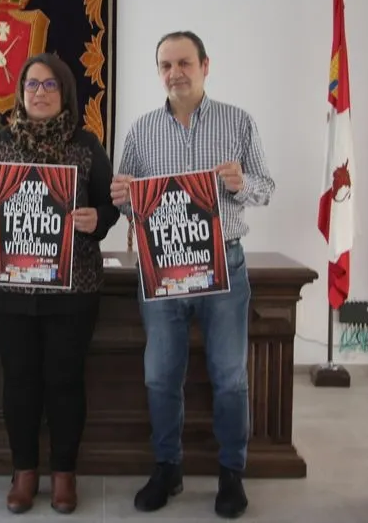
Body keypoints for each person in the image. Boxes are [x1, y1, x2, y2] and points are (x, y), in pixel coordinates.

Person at [110, 31, 276, 519]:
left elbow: (266, 188)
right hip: (161, 269)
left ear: (206, 65)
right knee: (160, 375)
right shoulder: (141, 131)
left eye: (184, 62)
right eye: (165, 65)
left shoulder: (238, 121)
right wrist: (122, 198)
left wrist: (242, 184)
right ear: (158, 71)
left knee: (229, 376)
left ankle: (231, 472)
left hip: (224, 264)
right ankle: (168, 467)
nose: (174, 72)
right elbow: (127, 202)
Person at [0, 53, 119, 515]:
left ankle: (64, 474)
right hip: (9, 291)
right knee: (20, 380)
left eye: (50, 86)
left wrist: (96, 219)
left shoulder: (87, 145)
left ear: (65, 92)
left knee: (66, 381)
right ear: (20, 92)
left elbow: (109, 210)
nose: (40, 93)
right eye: (32, 85)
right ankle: (25, 471)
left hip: (74, 290)